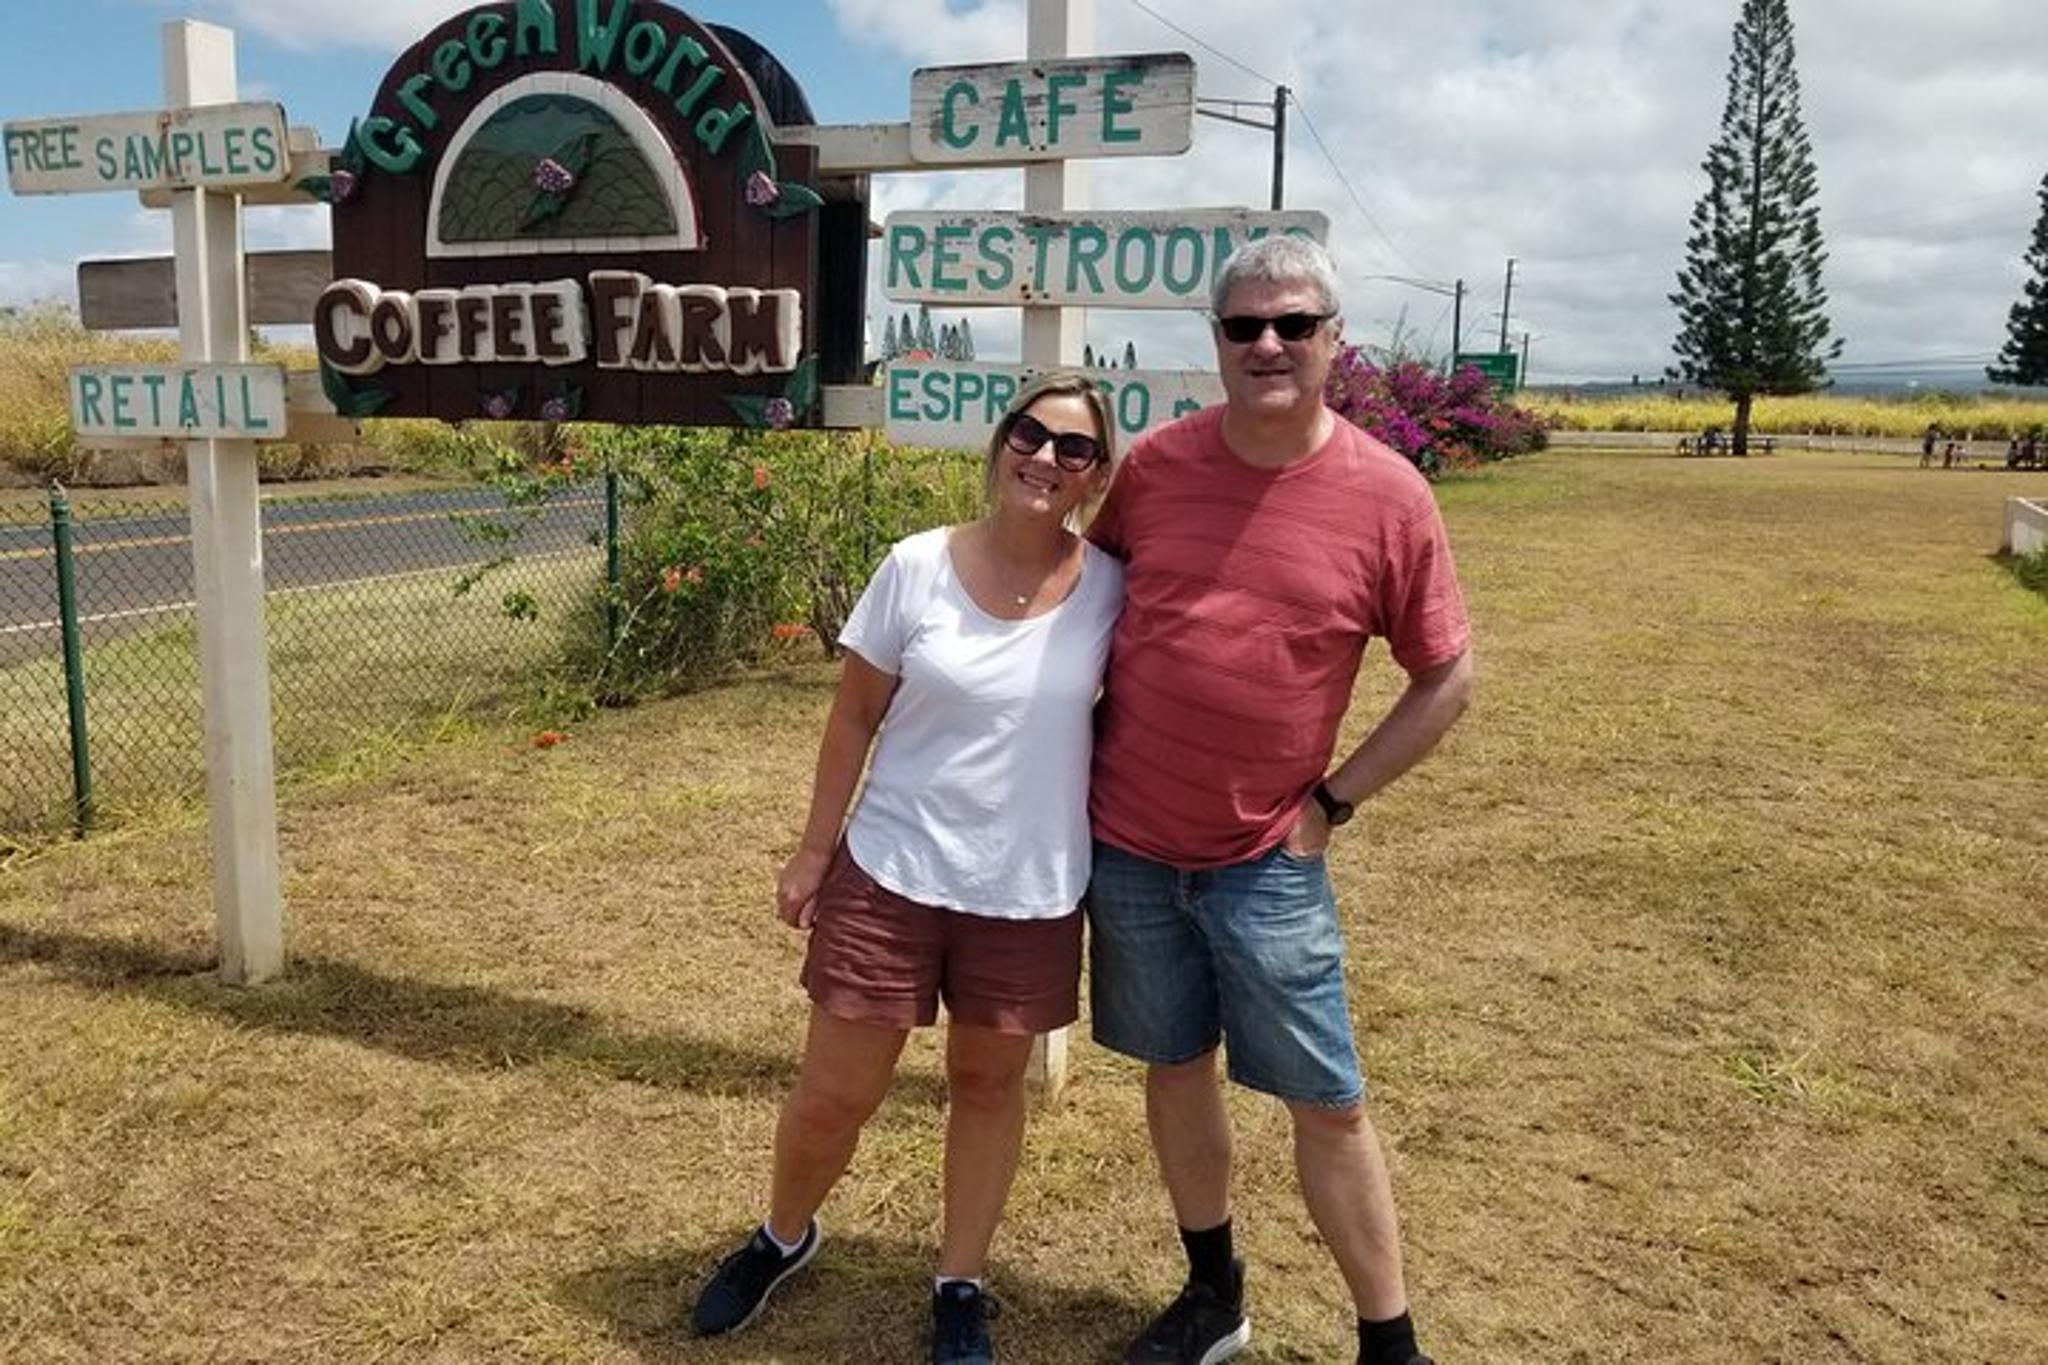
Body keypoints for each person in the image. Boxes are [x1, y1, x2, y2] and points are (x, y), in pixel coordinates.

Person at [1084, 234, 1473, 1365]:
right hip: (1129, 848)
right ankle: (1214, 1295)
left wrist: (1331, 806)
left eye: (1291, 324)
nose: (1265, 344)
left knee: (1327, 1100)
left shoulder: (1387, 496)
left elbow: (1445, 673)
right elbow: (1083, 604)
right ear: (1213, 341)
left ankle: (1387, 1342)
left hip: (1268, 858)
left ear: (1331, 341)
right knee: (1172, 1067)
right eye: (1242, 325)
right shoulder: (1152, 468)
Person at [690, 374, 1124, 1364]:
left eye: (1074, 449)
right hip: (890, 869)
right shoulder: (915, 566)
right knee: (834, 1094)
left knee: (985, 1086)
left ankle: (959, 1283)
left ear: (1096, 475)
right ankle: (782, 1236)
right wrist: (812, 849)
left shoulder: (1109, 585)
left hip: (1027, 890)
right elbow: (853, 715)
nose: (1045, 459)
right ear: (1000, 441)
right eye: (1030, 434)